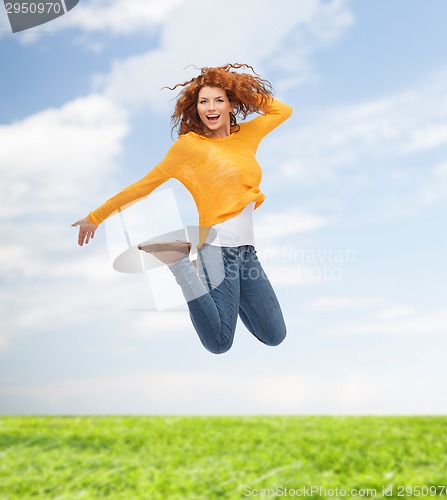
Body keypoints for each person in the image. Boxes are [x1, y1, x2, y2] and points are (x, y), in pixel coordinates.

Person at [72, 63, 292, 354]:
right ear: (196, 108)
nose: (210, 108)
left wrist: (241, 89)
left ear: (230, 105)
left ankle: (200, 273)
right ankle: (178, 262)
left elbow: (282, 111)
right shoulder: (189, 148)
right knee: (219, 342)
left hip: (246, 252)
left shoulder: (246, 136)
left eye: (218, 100)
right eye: (203, 101)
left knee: (274, 334)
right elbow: (144, 185)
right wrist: (95, 217)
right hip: (217, 248)